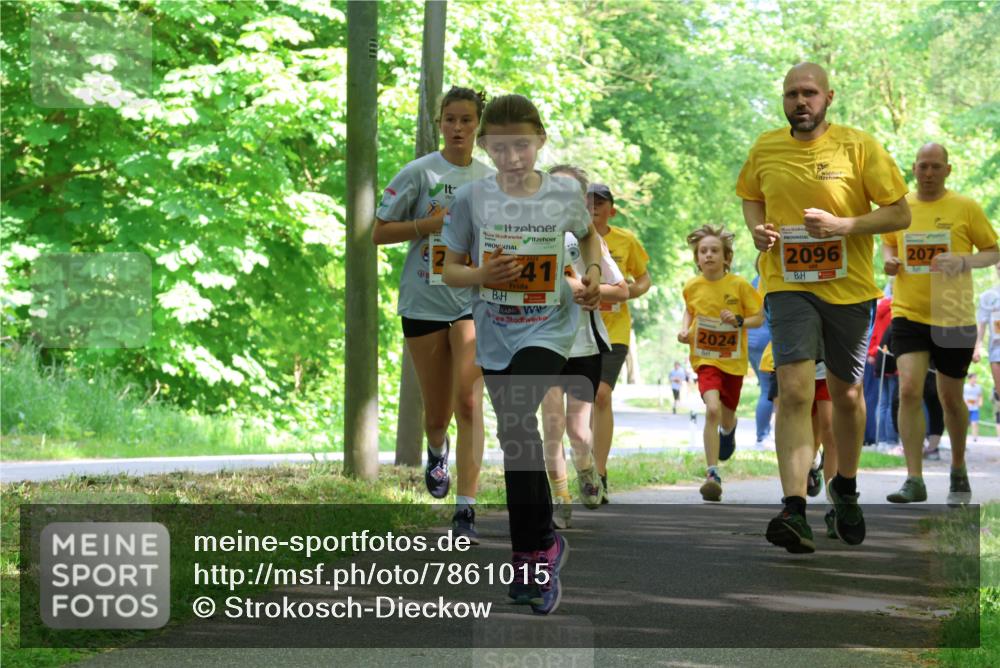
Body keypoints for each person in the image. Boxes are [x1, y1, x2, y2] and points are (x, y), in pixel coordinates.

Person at [737, 62, 911, 553]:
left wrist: (844, 226)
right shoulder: (766, 147)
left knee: (847, 396)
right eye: (792, 93)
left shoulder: (859, 145)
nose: (800, 101)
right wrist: (757, 229)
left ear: (828, 97)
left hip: (850, 288)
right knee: (793, 389)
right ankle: (794, 508)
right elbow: (751, 197)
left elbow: (900, 212)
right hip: (787, 282)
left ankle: (847, 489)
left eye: (809, 93)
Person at [442, 93, 604, 615]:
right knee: (516, 436)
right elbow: (449, 269)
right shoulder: (472, 200)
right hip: (494, 332)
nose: (513, 157)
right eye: (502, 147)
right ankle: (541, 546)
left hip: (550, 328)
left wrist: (594, 279)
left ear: (541, 141)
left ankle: (529, 557)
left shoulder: (561, 195)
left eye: (523, 146)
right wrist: (481, 276)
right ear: (486, 146)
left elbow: (589, 239)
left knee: (516, 417)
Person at [372, 87, 491, 540]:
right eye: (450, 119)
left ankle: (466, 508)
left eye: (466, 120)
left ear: (477, 125)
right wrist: (429, 224)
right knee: (437, 413)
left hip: (472, 304)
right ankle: (436, 449)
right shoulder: (419, 173)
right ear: (439, 123)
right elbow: (377, 233)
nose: (458, 128)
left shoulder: (489, 179)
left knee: (468, 400)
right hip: (424, 300)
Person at [882, 143, 998, 505]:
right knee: (909, 390)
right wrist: (890, 262)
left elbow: (993, 251)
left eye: (935, 166)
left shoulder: (965, 207)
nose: (928, 173)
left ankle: (958, 467)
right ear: (913, 170)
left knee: (950, 398)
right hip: (908, 312)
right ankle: (913, 478)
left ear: (948, 170)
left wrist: (963, 260)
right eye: (922, 166)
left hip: (953, 314)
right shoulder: (901, 207)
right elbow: (888, 243)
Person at [541, 164, 629, 528]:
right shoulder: (531, 233)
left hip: (584, 344)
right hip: (542, 340)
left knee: (577, 430)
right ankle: (560, 498)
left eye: (568, 192)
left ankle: (587, 466)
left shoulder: (589, 238)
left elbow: (621, 289)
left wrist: (590, 289)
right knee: (551, 423)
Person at [678, 225, 763, 502]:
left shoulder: (738, 285)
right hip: (705, 359)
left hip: (733, 362)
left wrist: (738, 321)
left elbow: (758, 318)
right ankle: (712, 473)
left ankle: (730, 429)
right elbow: (689, 312)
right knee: (711, 409)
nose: (709, 255)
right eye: (703, 251)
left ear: (726, 257)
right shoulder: (692, 286)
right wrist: (683, 330)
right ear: (697, 258)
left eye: (715, 250)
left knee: (726, 414)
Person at [589, 183, 652, 504]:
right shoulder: (567, 238)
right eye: (588, 201)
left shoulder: (625, 240)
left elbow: (644, 279)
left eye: (601, 202)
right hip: (578, 328)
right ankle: (582, 463)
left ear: (611, 210)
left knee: (601, 395)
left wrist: (629, 291)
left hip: (614, 330)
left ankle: (599, 473)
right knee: (578, 400)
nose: (594, 206)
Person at [977, 265, 1000, 427]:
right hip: (997, 351)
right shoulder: (988, 297)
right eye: (999, 268)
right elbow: (982, 325)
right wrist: (976, 347)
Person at [965, 373, 984, 443]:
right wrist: (965, 403)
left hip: (975, 408)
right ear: (969, 379)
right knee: (965, 424)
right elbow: (961, 396)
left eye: (976, 378)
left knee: (974, 423)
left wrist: (980, 402)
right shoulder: (965, 387)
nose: (975, 380)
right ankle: (964, 437)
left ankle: (975, 437)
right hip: (966, 408)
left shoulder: (978, 387)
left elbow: (980, 396)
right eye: (973, 378)